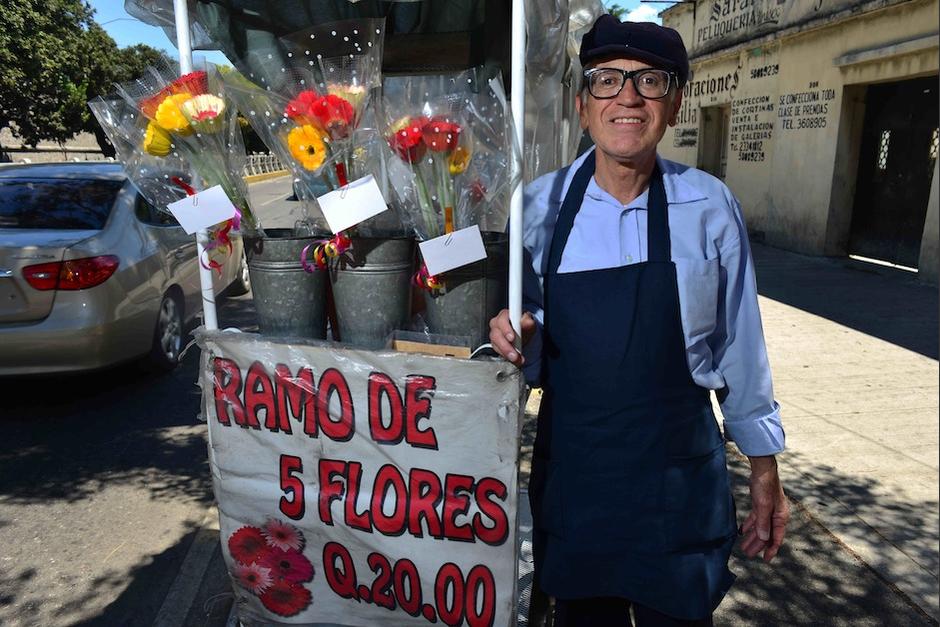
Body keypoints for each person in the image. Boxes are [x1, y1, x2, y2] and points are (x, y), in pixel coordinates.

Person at [488, 15, 790, 626]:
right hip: (579, 481)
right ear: (582, 103)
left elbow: (740, 346)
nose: (627, 96)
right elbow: (526, 346)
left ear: (674, 103)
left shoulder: (710, 205)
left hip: (677, 487)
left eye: (649, 81)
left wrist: (764, 469)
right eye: (607, 80)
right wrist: (510, 336)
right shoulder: (538, 207)